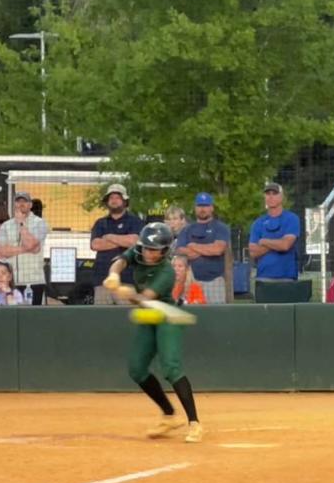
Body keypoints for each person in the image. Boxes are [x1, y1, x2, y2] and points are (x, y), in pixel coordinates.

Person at [102, 222, 203, 443]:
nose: (149, 252)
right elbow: (121, 261)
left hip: (166, 315)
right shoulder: (139, 251)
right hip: (148, 315)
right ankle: (168, 415)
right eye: (147, 248)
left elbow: (145, 298)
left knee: (171, 367)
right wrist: (113, 275)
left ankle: (194, 423)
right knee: (136, 369)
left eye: (155, 249)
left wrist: (125, 292)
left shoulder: (167, 272)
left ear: (165, 250)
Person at [90, 183, 143, 305]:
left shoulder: (135, 221)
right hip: (102, 280)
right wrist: (123, 240)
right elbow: (96, 245)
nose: (114, 200)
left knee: (128, 319)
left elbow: (134, 242)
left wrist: (109, 237)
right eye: (111, 198)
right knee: (101, 320)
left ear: (125, 201)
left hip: (127, 279)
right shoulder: (100, 223)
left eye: (117, 197)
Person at [174, 192, 230, 304]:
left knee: (216, 318)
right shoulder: (187, 229)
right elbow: (181, 251)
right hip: (190, 282)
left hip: (215, 281)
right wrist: (208, 249)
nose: (202, 209)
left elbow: (218, 249)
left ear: (212, 208)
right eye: (199, 206)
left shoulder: (220, 227)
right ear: (195, 208)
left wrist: (193, 246)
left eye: (205, 206)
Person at [0, 191, 50, 305]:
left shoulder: (40, 223)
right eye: (18, 201)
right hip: (12, 281)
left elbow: (30, 244)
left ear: (30, 205)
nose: (21, 204)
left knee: (33, 316)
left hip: (33, 280)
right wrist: (27, 249)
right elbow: (3, 251)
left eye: (24, 201)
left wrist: (21, 224)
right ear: (14, 204)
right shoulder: (6, 225)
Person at [248, 182, 300, 280]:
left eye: (274, 193)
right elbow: (253, 252)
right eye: (268, 194)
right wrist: (277, 243)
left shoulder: (292, 219)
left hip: (287, 277)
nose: (271, 197)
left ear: (281, 197)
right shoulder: (258, 223)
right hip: (263, 277)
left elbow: (285, 245)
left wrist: (264, 241)